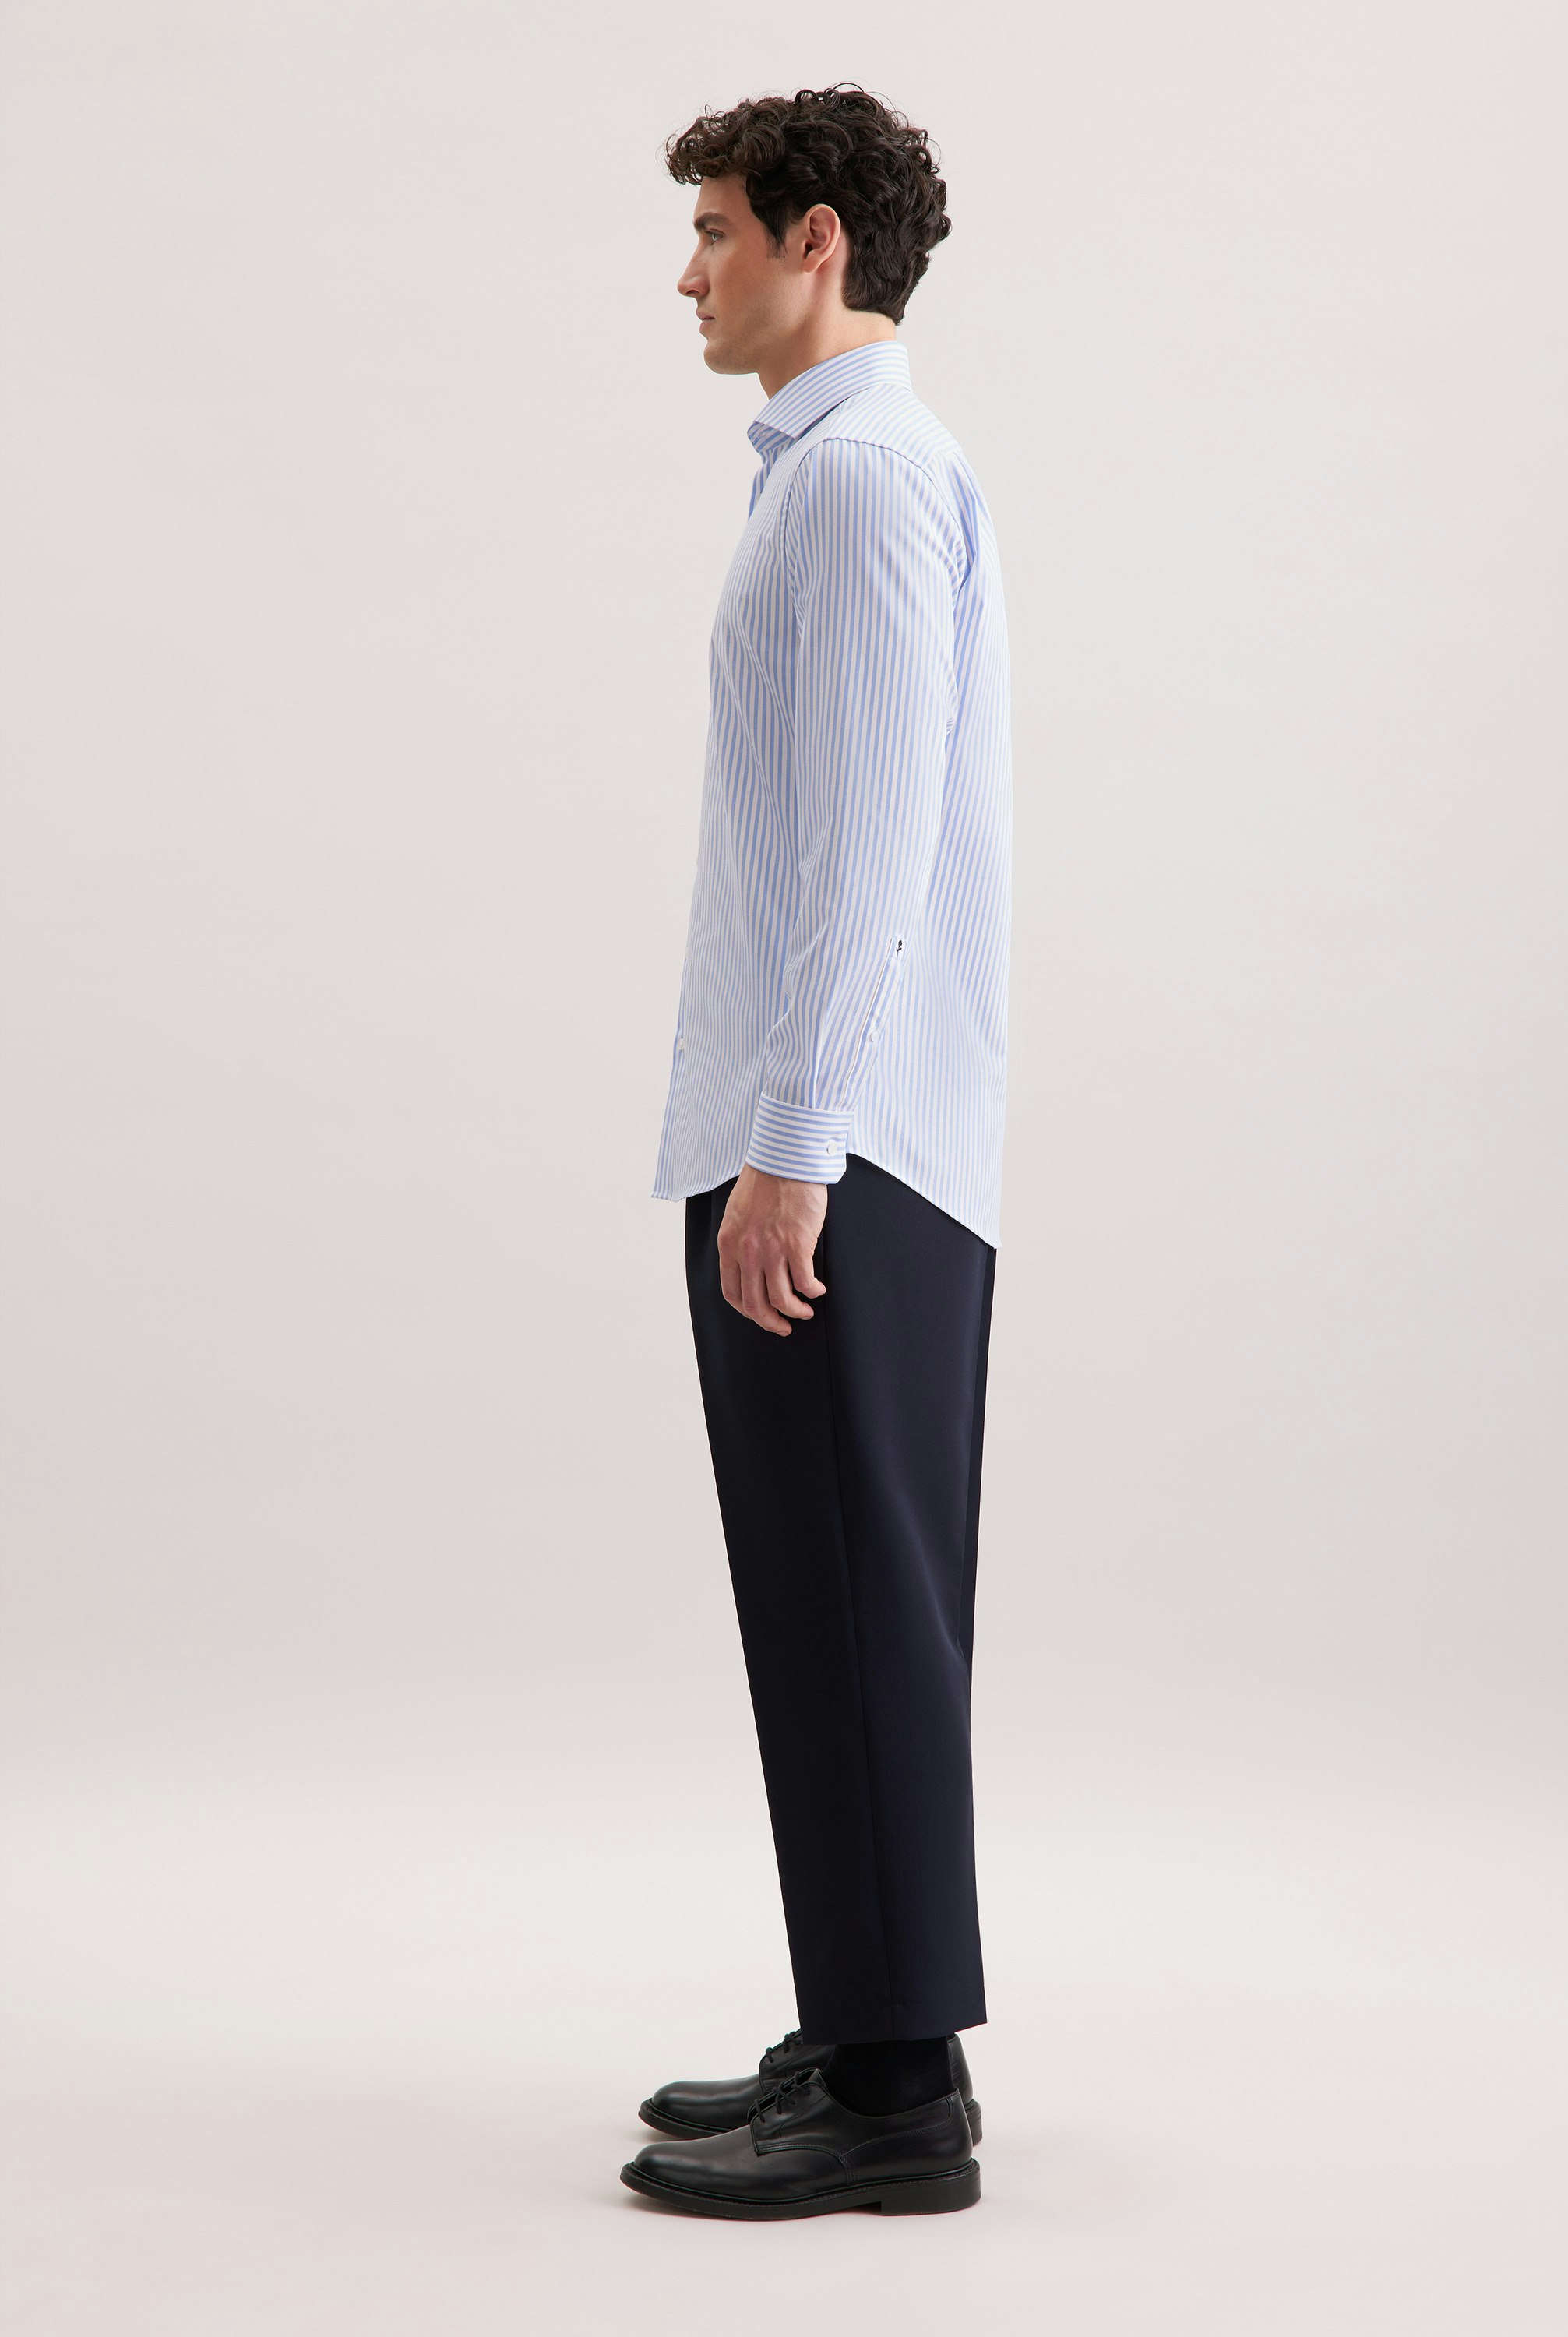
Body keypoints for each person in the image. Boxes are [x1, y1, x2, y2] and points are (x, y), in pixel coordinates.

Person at [622, 86, 1013, 2222]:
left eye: (715, 231)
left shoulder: (860, 483)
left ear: (816, 242)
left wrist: (792, 1151)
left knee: (856, 1600)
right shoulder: (840, 474)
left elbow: (867, 855)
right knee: (834, 1600)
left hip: (841, 1156)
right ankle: (868, 2022)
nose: (688, 272)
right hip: (838, 1141)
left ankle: (892, 2095)